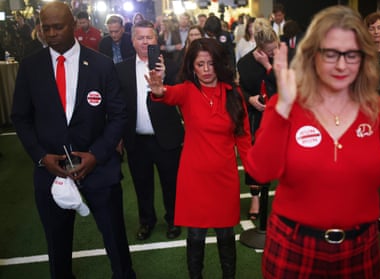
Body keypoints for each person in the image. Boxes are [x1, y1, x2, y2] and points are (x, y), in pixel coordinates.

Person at [246, 5, 380, 278]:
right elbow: (260, 171)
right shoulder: (286, 105)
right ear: (312, 56)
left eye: (352, 54)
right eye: (330, 53)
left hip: (360, 248)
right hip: (293, 246)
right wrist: (281, 108)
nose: (341, 65)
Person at [10, 2, 136, 278]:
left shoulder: (101, 65)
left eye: (58, 27)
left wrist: (96, 154)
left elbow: (118, 115)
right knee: (57, 249)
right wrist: (42, 156)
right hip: (51, 173)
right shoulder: (31, 68)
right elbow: (20, 117)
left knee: (116, 245)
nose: (52, 33)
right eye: (46, 28)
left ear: (75, 25)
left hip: (99, 169)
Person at [146, 38, 251, 279]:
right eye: (200, 64)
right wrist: (159, 90)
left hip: (224, 177)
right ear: (192, 67)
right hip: (194, 178)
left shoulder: (234, 94)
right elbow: (167, 94)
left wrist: (252, 168)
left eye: (210, 64)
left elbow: (243, 135)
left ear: (220, 64)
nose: (205, 69)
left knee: (226, 235)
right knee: (195, 236)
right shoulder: (187, 91)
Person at [115, 20, 184, 241]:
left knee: (171, 183)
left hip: (167, 138)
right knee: (141, 185)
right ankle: (147, 221)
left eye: (149, 37)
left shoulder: (172, 67)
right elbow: (118, 106)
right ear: (133, 41)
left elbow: (182, 96)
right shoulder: (121, 69)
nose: (145, 42)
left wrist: (165, 81)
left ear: (157, 40)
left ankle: (174, 219)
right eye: (140, 38)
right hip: (137, 140)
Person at [237, 18, 279, 220]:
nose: (273, 53)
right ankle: (255, 197)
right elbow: (240, 90)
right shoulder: (244, 63)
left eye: (275, 48)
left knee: (274, 157)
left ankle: (270, 195)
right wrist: (250, 99)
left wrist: (268, 64)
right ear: (259, 47)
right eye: (269, 50)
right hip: (255, 116)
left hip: (278, 115)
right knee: (253, 156)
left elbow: (285, 85)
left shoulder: (282, 59)